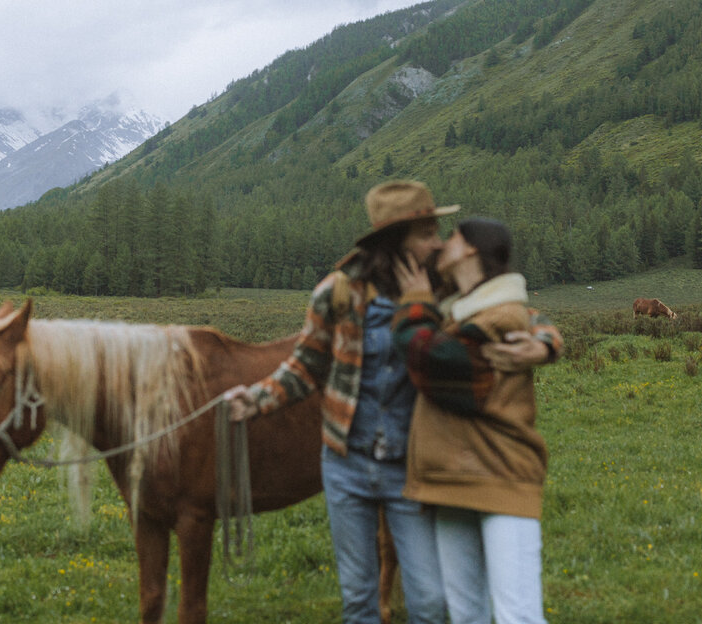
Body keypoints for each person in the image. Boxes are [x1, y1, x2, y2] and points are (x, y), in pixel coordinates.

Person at [226, 181, 557, 624]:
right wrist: (257, 400)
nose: (437, 243)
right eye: (425, 234)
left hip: (410, 467)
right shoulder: (338, 292)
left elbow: (512, 308)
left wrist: (544, 343)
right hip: (345, 464)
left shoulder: (439, 288)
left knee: (428, 601)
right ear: (395, 240)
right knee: (359, 599)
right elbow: (306, 365)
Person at [392, 217, 561, 624]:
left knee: (516, 614)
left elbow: (435, 359)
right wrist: (549, 340)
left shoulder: (497, 317)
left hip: (500, 474)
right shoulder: (460, 308)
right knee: (466, 613)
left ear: (470, 249)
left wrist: (413, 306)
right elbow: (531, 316)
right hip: (452, 476)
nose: (440, 245)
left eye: (450, 236)